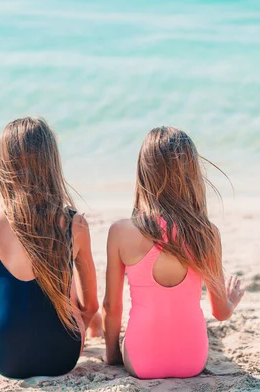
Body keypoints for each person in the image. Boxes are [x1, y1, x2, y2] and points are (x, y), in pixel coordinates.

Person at [102, 126, 244, 379]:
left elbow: (112, 306)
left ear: (144, 172)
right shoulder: (206, 233)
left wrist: (113, 354)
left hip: (141, 362)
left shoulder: (121, 231)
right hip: (192, 361)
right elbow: (220, 313)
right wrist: (231, 300)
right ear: (192, 174)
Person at [0, 117, 100, 379]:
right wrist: (79, 329)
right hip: (63, 356)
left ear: (2, 165)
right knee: (65, 289)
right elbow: (91, 305)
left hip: (5, 359)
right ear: (51, 164)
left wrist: (0, 348)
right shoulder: (75, 225)